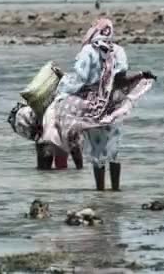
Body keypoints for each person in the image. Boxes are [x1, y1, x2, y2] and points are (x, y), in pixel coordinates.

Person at [41, 18, 156, 191]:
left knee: (97, 152)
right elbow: (120, 80)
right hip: (112, 105)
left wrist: (64, 85)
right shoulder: (118, 51)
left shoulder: (88, 51)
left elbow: (82, 78)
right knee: (114, 151)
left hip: (89, 106)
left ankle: (100, 193)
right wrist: (140, 75)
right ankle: (115, 191)